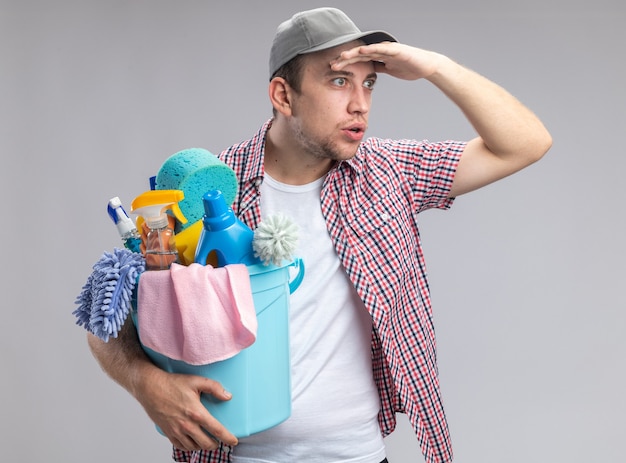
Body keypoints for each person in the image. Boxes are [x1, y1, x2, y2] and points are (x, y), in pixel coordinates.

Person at [87, 7, 552, 463]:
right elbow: (102, 320)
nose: (361, 103)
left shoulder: (389, 173)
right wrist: (147, 385)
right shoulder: (208, 189)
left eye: (368, 82)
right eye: (338, 81)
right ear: (283, 96)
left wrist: (436, 67)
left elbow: (526, 143)